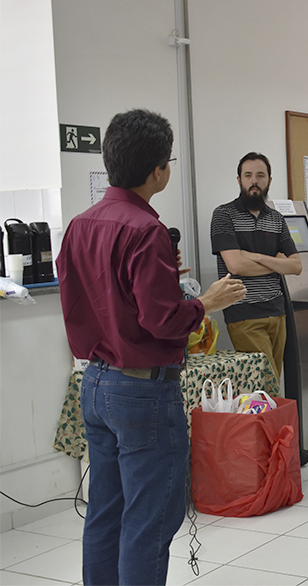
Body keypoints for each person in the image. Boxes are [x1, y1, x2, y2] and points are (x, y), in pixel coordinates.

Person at [56, 109, 247, 585]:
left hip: (95, 382)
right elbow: (162, 322)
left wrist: (163, 276)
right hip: (141, 392)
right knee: (149, 519)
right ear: (158, 170)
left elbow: (88, 298)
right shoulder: (145, 230)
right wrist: (206, 301)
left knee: (105, 510)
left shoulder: (81, 224)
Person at [210, 152, 303, 381]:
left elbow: (296, 266)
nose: (254, 181)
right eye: (248, 175)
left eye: (260, 175)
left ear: (269, 180)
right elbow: (236, 265)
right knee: (265, 383)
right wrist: (277, 263)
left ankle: (272, 419)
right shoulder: (224, 215)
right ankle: (273, 419)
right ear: (239, 179)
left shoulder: (276, 218)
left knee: (273, 381)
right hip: (244, 313)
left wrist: (256, 257)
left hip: (277, 311)